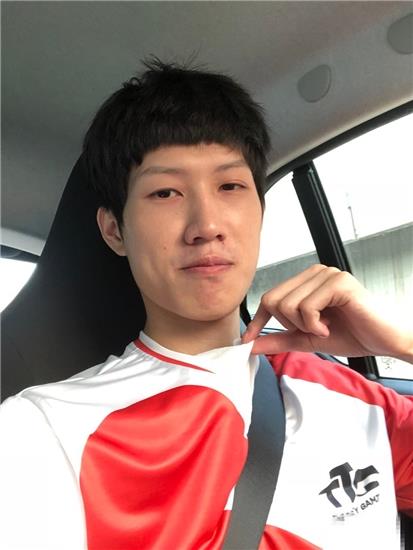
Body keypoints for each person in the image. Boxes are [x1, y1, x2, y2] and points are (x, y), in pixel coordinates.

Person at [0, 58, 412, 550]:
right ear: (114, 231)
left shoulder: (341, 390)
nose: (207, 225)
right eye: (165, 192)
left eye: (230, 186)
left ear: (260, 210)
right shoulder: (42, 430)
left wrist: (403, 344)